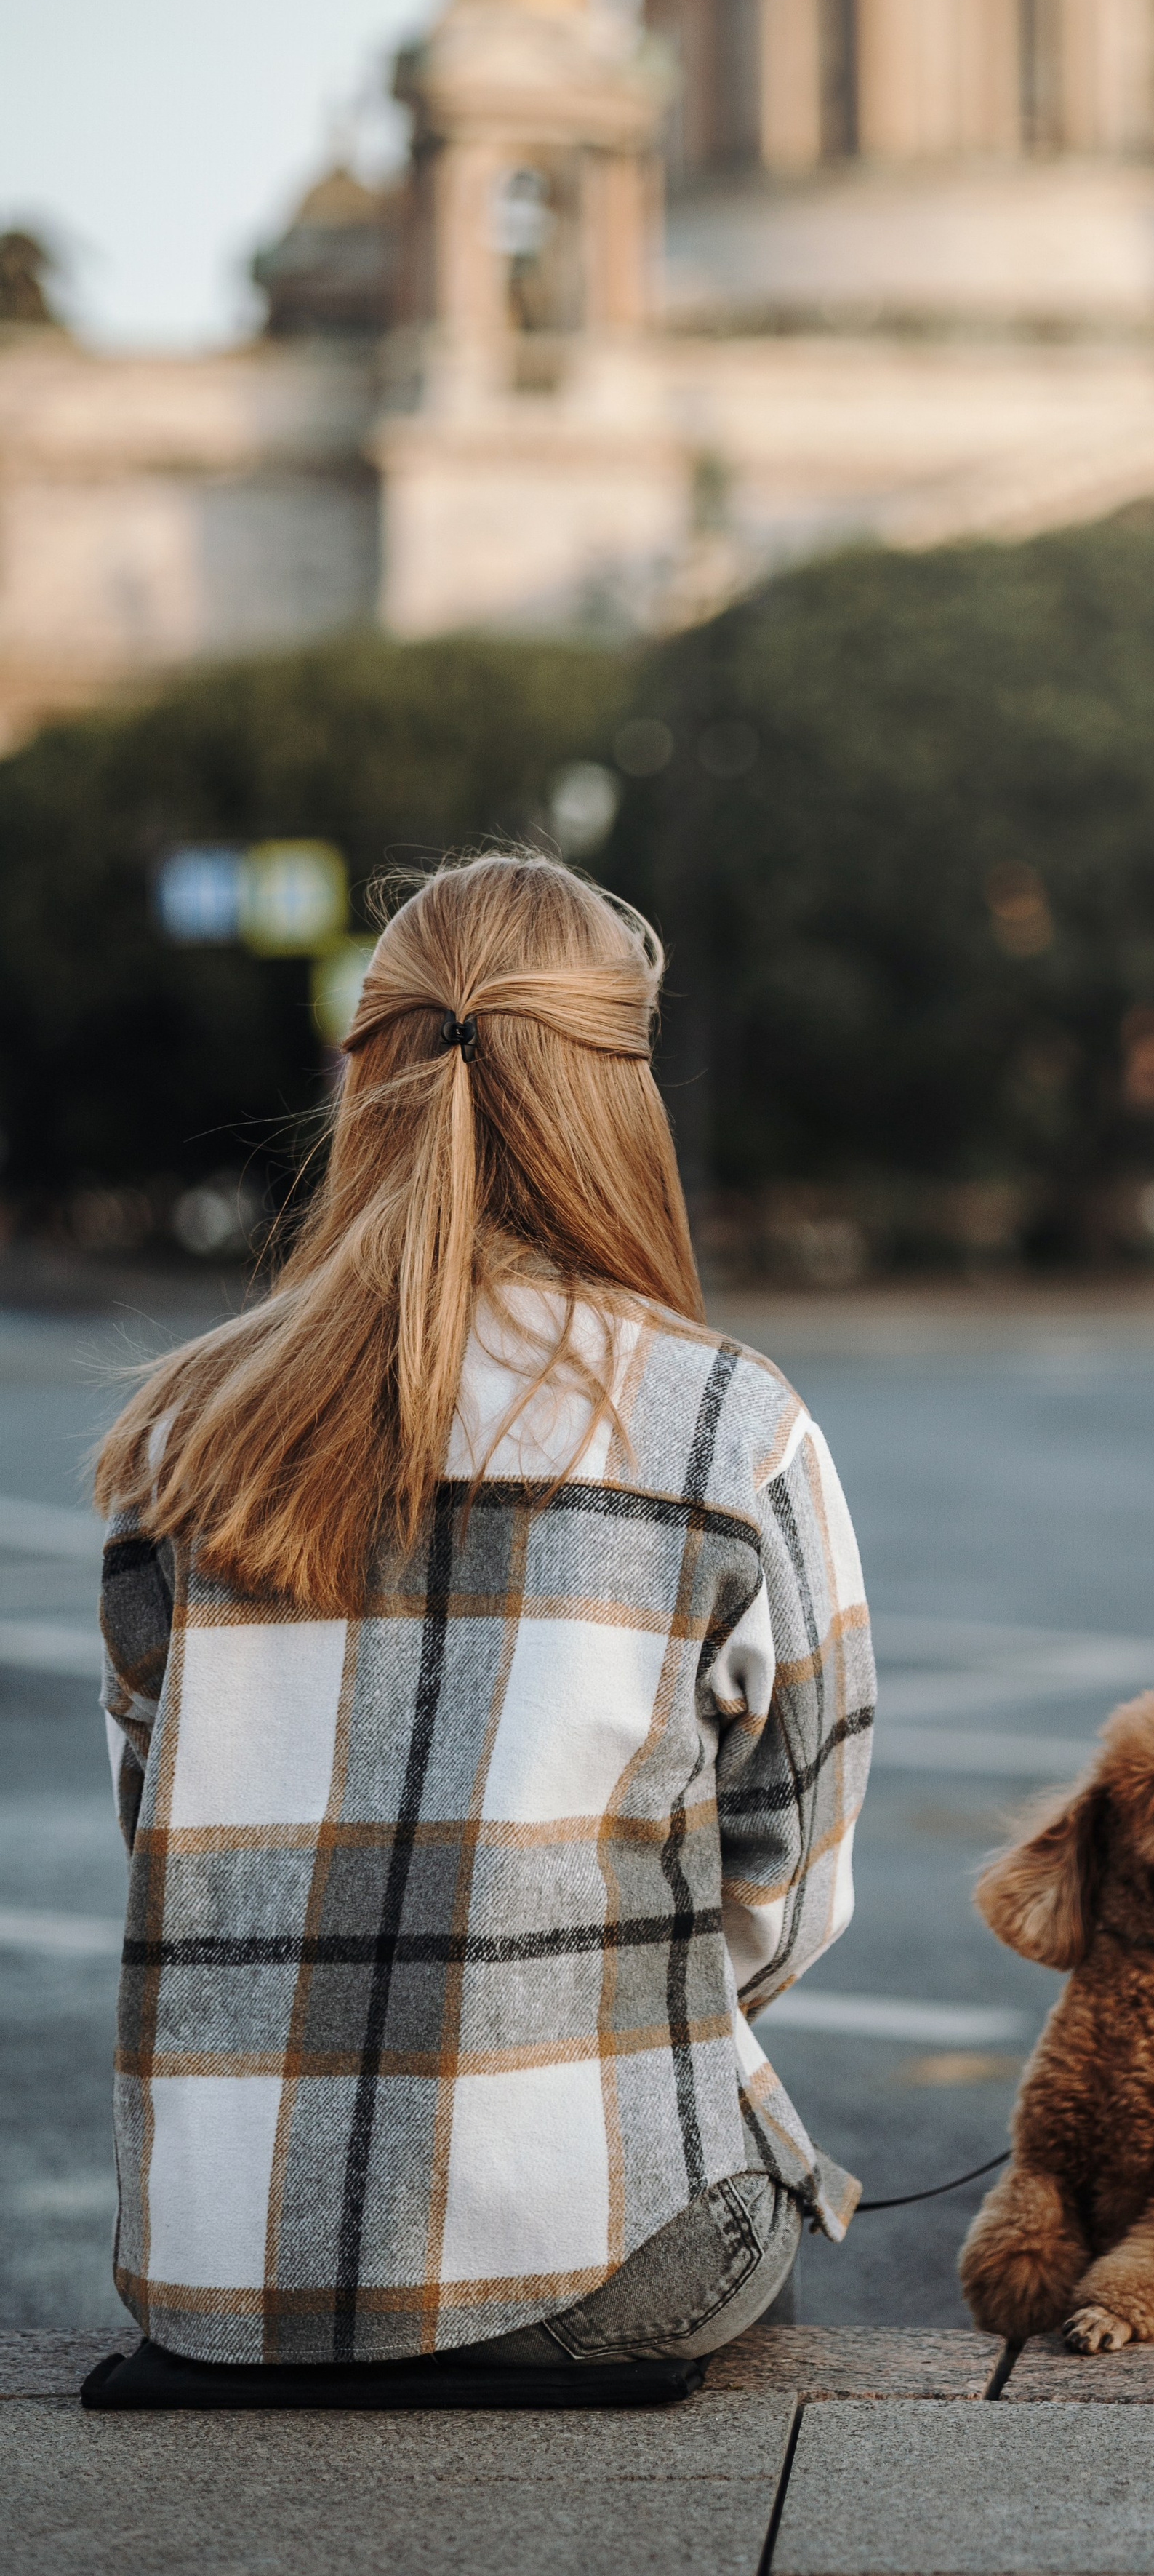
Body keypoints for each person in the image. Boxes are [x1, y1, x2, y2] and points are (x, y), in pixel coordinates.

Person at [93, 852, 874, 2369]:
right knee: (750, 2189)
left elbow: (160, 1824)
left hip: (216, 2286)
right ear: (615, 1095)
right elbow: (791, 1882)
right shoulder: (724, 1424)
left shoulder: (188, 1430)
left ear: (362, 1075)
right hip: (572, 2271)